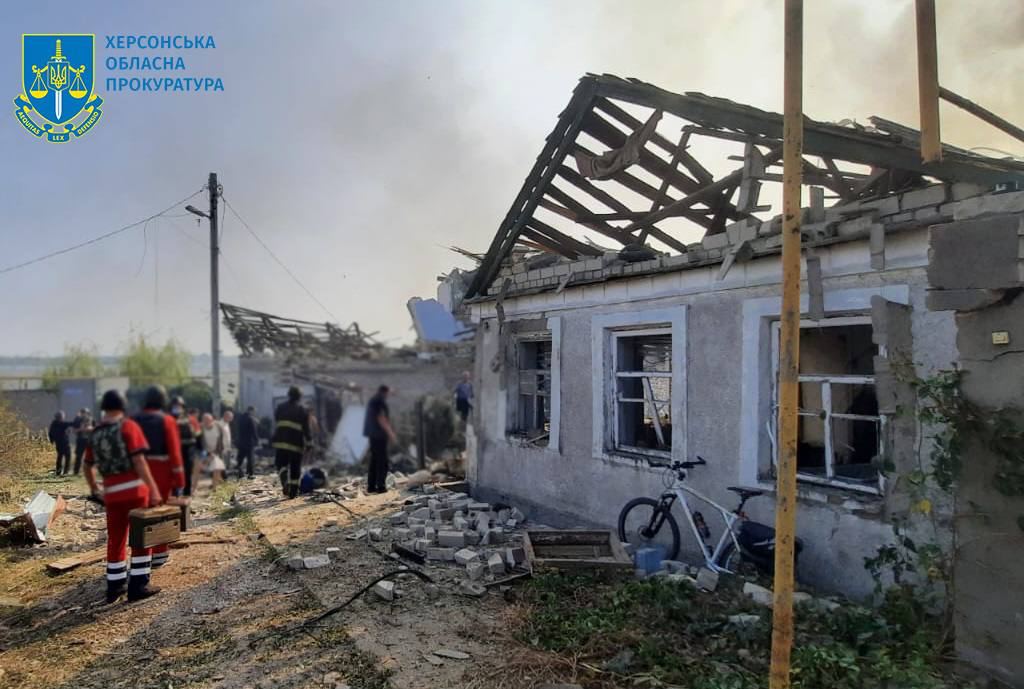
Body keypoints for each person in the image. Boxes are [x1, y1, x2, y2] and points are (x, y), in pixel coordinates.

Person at [83, 390, 163, 603]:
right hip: (135, 492)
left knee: (116, 539)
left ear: (104, 407)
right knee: (141, 538)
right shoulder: (128, 426)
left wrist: (95, 489)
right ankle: (139, 585)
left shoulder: (96, 433)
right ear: (123, 406)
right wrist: (153, 490)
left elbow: (87, 465)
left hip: (111, 494)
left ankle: (115, 585)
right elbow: (139, 461)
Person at [133, 385, 184, 570]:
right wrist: (179, 480)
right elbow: (175, 454)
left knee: (140, 513)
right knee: (160, 512)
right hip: (161, 471)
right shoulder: (167, 420)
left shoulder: (133, 420)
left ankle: (140, 556)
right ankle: (159, 554)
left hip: (137, 471)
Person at [272, 386, 310, 499]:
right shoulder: (302, 410)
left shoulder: (280, 407)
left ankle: (284, 480)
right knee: (295, 467)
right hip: (296, 444)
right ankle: (293, 492)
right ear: (299, 397)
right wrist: (309, 442)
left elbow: (277, 420)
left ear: (289, 395)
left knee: (280, 464)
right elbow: (306, 428)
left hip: (281, 442)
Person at [363, 385, 397, 494]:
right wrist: (391, 433)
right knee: (382, 461)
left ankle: (371, 486)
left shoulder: (373, 400)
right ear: (385, 392)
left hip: (373, 435)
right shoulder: (379, 401)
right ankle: (381, 486)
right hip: (379, 435)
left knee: (374, 460)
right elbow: (381, 418)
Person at [170, 396, 201, 496]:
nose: (177, 408)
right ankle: (174, 494)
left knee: (187, 473)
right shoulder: (168, 419)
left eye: (179, 406)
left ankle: (186, 494)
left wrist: (200, 450)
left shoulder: (191, 420)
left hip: (189, 450)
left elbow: (198, 436)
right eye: (175, 406)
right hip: (173, 450)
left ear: (183, 407)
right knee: (173, 473)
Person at [198, 413, 227, 489]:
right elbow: (200, 442)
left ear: (212, 420)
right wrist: (207, 452)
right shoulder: (201, 428)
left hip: (217, 451)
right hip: (207, 452)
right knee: (215, 468)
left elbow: (220, 440)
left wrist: (217, 451)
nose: (207, 422)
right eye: (205, 420)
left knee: (217, 468)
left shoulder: (217, 427)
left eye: (208, 420)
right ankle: (217, 484)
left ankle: (215, 486)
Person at [235, 406, 260, 479]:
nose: (254, 413)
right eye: (253, 411)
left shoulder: (240, 418)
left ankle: (239, 473)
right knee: (250, 459)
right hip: (249, 442)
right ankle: (250, 474)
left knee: (240, 458)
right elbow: (253, 431)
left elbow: (237, 429)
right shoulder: (250, 419)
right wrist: (257, 440)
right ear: (251, 411)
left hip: (241, 441)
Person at [49, 411, 73, 476]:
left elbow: (50, 433)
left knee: (60, 457)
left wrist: (52, 441)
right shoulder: (62, 423)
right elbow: (67, 431)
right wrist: (68, 432)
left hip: (58, 443)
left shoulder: (53, 424)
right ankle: (65, 471)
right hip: (64, 443)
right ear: (61, 417)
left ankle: (58, 471)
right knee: (68, 456)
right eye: (63, 416)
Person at [71, 408, 93, 475]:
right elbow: (74, 430)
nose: (84, 414)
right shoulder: (77, 420)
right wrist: (81, 429)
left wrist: (89, 428)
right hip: (80, 440)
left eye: (85, 413)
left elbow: (94, 428)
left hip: (89, 440)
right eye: (83, 413)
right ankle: (76, 471)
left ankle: (91, 472)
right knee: (79, 456)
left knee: (91, 456)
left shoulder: (91, 419)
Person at [219, 409, 235, 476]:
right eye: (231, 417)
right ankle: (222, 477)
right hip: (222, 447)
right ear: (226, 416)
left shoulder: (227, 424)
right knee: (222, 463)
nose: (232, 419)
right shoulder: (220, 424)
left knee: (227, 463)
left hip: (227, 447)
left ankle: (224, 476)